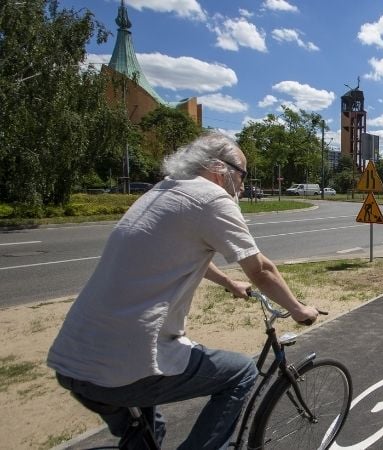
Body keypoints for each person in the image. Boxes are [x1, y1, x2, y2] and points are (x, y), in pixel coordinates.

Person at [47, 132, 318, 449]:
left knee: (149, 432)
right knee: (242, 374)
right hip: (126, 363)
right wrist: (300, 310)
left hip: (74, 360)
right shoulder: (212, 198)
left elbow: (187, 254)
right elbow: (261, 269)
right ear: (220, 169)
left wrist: (229, 282)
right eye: (243, 175)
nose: (243, 185)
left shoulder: (161, 192)